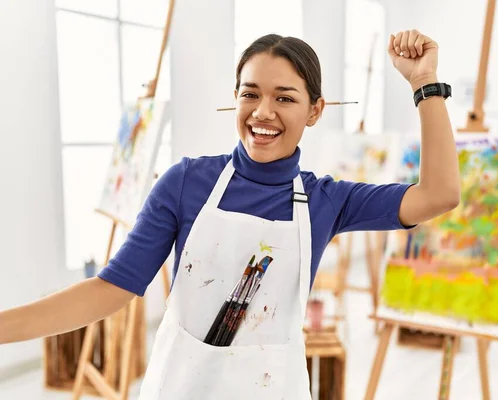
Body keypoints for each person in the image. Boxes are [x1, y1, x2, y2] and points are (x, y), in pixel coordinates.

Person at [0, 29, 460, 399]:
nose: (263, 112)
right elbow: (110, 290)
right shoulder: (186, 183)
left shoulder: (327, 200)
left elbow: (438, 194)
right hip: (181, 388)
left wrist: (425, 84)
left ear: (315, 111)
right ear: (235, 98)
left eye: (284, 98)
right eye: (250, 93)